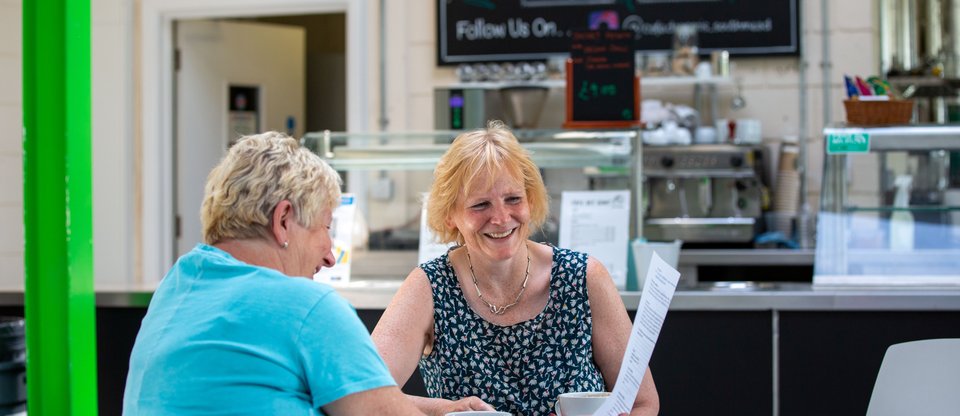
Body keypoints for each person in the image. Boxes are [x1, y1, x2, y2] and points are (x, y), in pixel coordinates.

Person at [123, 132, 425, 415]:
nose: (330, 257)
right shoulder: (304, 306)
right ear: (282, 220)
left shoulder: (177, 285)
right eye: (325, 227)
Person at [371, 121, 659, 416]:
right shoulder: (430, 286)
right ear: (450, 216)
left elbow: (642, 403)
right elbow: (363, 392)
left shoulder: (582, 278)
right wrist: (444, 410)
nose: (501, 217)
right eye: (480, 204)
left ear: (530, 201)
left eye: (513, 199)